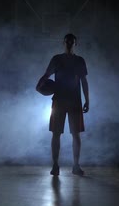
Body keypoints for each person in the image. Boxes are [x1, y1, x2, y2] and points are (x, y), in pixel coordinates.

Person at [36, 33, 90, 176]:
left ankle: (76, 165)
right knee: (56, 133)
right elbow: (47, 74)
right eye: (67, 42)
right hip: (59, 100)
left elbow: (84, 81)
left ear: (75, 43)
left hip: (74, 100)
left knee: (76, 134)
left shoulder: (79, 60)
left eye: (72, 42)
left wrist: (87, 100)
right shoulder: (57, 59)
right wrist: (39, 84)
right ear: (63, 43)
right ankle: (55, 165)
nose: (69, 44)